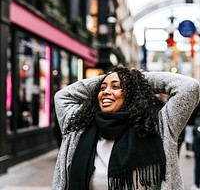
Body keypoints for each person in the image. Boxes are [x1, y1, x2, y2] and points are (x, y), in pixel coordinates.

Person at [52, 66, 199, 190]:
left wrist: (137, 79)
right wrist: (110, 78)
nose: (105, 92)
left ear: (132, 93)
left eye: (116, 87)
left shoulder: (159, 125)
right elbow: (62, 96)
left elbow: (189, 87)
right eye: (102, 88)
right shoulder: (80, 127)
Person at [190, 102, 200, 190]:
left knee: (198, 162)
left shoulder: (197, 102)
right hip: (198, 137)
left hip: (198, 138)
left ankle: (197, 184)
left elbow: (192, 119)